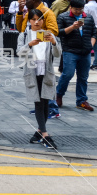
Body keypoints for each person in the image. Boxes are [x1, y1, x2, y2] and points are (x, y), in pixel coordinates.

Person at [18, 9, 61, 149]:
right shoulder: (24, 35)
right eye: (33, 19)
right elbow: (19, 53)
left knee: (46, 102)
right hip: (32, 72)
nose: (37, 22)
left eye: (39, 19)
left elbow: (58, 54)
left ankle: (39, 132)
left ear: (43, 20)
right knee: (38, 103)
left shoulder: (49, 35)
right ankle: (45, 134)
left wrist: (54, 42)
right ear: (29, 20)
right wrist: (30, 44)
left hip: (46, 72)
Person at [56, 0, 97, 111]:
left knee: (83, 77)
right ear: (71, 7)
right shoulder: (63, 17)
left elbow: (94, 33)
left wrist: (91, 45)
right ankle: (58, 95)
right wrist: (73, 27)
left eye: (81, 9)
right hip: (70, 51)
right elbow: (59, 32)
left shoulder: (88, 17)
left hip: (85, 52)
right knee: (67, 74)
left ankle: (82, 100)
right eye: (76, 9)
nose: (79, 11)